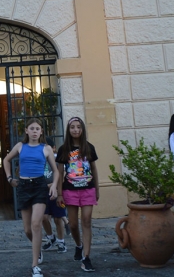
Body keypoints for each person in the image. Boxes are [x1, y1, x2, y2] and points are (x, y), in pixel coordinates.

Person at [4, 118, 59, 277]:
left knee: (36, 224)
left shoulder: (46, 148)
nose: (35, 131)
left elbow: (56, 171)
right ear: (26, 131)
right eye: (32, 128)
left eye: (37, 129)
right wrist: (9, 178)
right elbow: (6, 160)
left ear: (41, 132)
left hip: (39, 187)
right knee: (28, 230)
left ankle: (35, 265)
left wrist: (54, 186)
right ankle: (38, 248)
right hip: (23, 186)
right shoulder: (20, 146)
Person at [56, 116, 99, 273]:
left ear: (82, 129)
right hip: (70, 190)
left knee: (86, 221)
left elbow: (94, 169)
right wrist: (59, 194)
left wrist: (97, 189)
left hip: (88, 189)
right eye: (73, 127)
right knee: (73, 224)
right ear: (69, 130)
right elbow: (60, 173)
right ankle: (78, 245)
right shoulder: (63, 149)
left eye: (79, 127)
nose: (76, 130)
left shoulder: (89, 147)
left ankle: (86, 258)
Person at [41, 137, 67, 254]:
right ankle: (51, 237)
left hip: (56, 192)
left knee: (58, 218)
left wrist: (53, 185)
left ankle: (61, 241)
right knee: (44, 217)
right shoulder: (39, 160)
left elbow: (63, 175)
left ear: (53, 149)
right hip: (42, 193)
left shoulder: (57, 160)